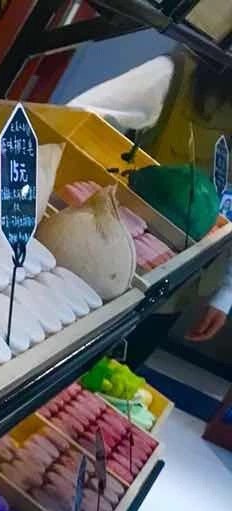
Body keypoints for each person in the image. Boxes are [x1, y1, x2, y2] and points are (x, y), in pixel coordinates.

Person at [67, 47, 231, 351]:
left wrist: (226, 294)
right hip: (97, 270)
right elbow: (79, 117)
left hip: (173, 292)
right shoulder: (177, 74)